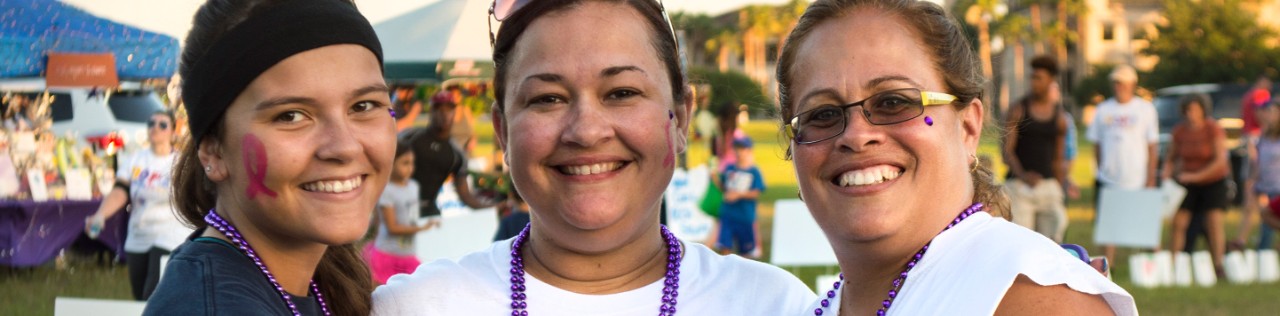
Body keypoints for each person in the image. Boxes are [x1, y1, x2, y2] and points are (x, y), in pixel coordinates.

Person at [371, 0, 815, 314]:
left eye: (621, 93)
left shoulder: (776, 305)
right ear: (503, 132)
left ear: (680, 118)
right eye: (547, 98)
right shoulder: (411, 307)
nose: (585, 131)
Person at [773, 0, 1136, 314]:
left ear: (968, 128)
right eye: (822, 114)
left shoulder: (1034, 299)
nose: (856, 135)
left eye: (893, 102)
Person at [144, 0, 389, 314]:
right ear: (213, 150)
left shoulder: (315, 280)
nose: (345, 147)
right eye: (291, 115)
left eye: (364, 106)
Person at [85, 110, 190, 301]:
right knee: (139, 298)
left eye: (162, 125)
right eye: (151, 123)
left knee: (152, 296)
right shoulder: (135, 159)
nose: (155, 128)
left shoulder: (180, 162)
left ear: (173, 132)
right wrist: (100, 215)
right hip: (139, 236)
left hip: (169, 237)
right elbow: (120, 192)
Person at [1086, 64, 1159, 263]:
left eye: (1123, 83)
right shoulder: (1103, 109)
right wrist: (1101, 169)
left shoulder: (1145, 109)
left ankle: (1151, 265)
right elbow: (1096, 143)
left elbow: (1152, 145)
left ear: (1132, 84)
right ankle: (1107, 264)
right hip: (1110, 178)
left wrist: (1151, 176)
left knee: (1145, 224)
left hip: (1138, 176)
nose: (1119, 87)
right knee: (1109, 226)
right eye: (1116, 83)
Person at [1002, 55, 1070, 242]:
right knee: (1021, 242)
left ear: (1051, 81)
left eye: (1039, 78)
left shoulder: (1059, 117)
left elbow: (1058, 158)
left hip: (1048, 186)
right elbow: (1007, 151)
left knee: (1053, 241)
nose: (1034, 82)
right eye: (1032, 77)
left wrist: (1059, 187)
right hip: (1019, 186)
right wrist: (1023, 175)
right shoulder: (1018, 109)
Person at [1161, 94, 1229, 276]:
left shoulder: (1212, 129)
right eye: (1188, 110)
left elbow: (1220, 161)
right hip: (1186, 182)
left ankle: (1218, 265)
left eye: (1195, 110)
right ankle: (1173, 265)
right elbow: (1171, 157)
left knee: (1213, 222)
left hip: (1212, 181)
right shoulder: (1179, 131)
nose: (1191, 114)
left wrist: (1196, 176)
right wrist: (1167, 173)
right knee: (1179, 223)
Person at [400, 91, 494, 218]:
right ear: (431, 111)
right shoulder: (410, 138)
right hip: (399, 206)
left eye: (449, 110)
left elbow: (465, 196)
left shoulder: (456, 154)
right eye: (439, 109)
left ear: (454, 113)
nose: (444, 115)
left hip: (429, 211)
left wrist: (493, 207)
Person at [367, 141, 439, 284]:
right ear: (391, 163)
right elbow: (392, 228)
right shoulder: (387, 190)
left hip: (408, 253)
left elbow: (412, 217)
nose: (410, 168)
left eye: (412, 163)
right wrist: (422, 228)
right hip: (387, 255)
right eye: (405, 163)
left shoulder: (414, 186)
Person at [1236, 76, 1276, 251]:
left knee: (1263, 208)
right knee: (1254, 204)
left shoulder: (1248, 95)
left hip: (1273, 182)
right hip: (1262, 176)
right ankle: (1245, 240)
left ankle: (1251, 241)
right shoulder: (1260, 95)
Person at [717, 136, 764, 256]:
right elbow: (723, 187)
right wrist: (715, 179)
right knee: (725, 247)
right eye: (736, 148)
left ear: (749, 151)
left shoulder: (754, 171)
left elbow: (756, 192)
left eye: (742, 149)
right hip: (728, 214)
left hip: (745, 216)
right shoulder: (729, 169)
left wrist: (738, 195)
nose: (739, 152)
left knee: (745, 251)